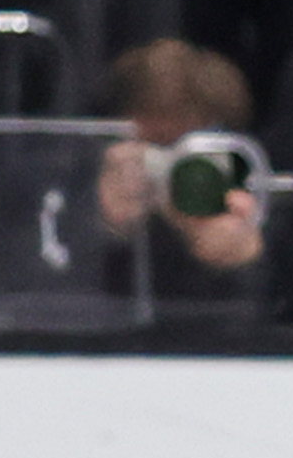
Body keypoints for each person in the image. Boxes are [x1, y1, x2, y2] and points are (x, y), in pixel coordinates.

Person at [93, 39, 268, 304]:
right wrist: (103, 228)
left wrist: (244, 259)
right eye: (157, 147)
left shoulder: (255, 207)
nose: (175, 166)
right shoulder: (74, 196)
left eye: (188, 150)